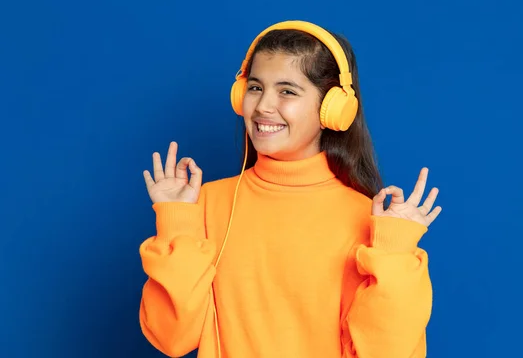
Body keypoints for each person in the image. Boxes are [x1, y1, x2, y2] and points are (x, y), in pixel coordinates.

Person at [139, 20, 442, 358]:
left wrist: (394, 254)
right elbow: (173, 337)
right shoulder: (206, 203)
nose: (264, 106)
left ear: (333, 110)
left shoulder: (367, 220)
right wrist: (176, 223)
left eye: (287, 91)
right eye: (255, 87)